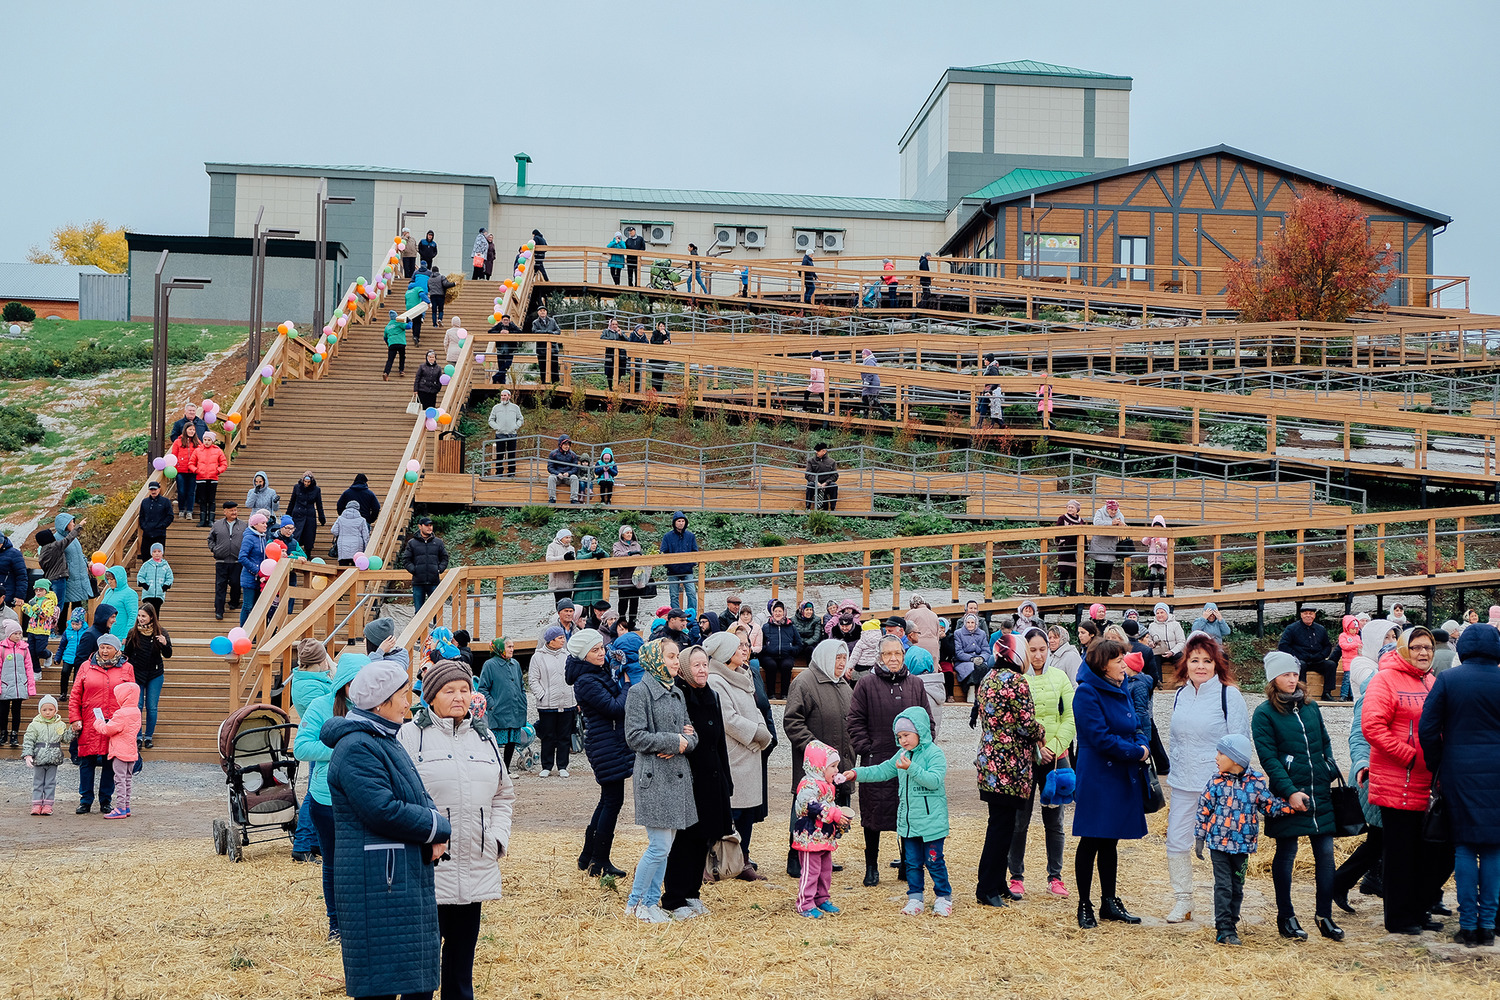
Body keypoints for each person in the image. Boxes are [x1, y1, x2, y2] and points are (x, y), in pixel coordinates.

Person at [322, 658, 451, 1000]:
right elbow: (382, 810)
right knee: (380, 987)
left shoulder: (383, 739)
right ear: (381, 702)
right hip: (378, 882)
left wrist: (436, 832)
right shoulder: (357, 748)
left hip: (397, 878)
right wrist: (437, 826)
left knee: (415, 983)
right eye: (403, 694)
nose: (409, 701)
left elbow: (417, 793)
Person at [397, 657, 514, 999]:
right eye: (449, 690)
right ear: (430, 696)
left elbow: (503, 794)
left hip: (475, 864)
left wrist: (497, 838)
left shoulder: (484, 737)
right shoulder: (409, 736)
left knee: (461, 965)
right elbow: (398, 798)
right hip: (427, 867)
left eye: (465, 689)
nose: (459, 697)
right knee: (420, 967)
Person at [1364, 624, 1452, 935]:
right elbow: (1372, 727)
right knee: (1401, 853)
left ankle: (1418, 909)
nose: (1423, 652)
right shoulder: (1385, 680)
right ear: (1403, 649)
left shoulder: (1430, 681)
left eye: (1428, 647)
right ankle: (1399, 917)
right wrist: (1410, 757)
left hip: (1427, 784)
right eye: (1416, 647)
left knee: (1426, 852)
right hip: (1397, 781)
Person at [1252, 650, 1344, 941]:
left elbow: (1325, 740)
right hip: (1288, 793)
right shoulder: (1264, 713)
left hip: (1319, 790)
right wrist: (1290, 791)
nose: (1292, 680)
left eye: (1294, 674)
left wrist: (1328, 767)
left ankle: (1324, 916)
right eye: (1285, 674)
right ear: (1273, 679)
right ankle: (1286, 916)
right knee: (1287, 852)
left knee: (1326, 855)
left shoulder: (1310, 706)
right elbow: (1269, 759)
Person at [1419, 623, 1500, 947]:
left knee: (1464, 848)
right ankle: (1488, 925)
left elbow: (1427, 728)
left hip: (1459, 772)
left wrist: (1439, 763)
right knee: (1494, 848)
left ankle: (1468, 926)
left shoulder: (1449, 680)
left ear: (1463, 647)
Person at [1164, 632, 1250, 923]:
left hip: (1217, 785)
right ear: (1185, 663)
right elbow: (1175, 739)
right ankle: (1183, 899)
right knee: (1176, 841)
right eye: (1195, 660)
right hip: (1182, 782)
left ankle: (1226, 908)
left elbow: (1239, 743)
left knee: (1221, 845)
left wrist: (1232, 781)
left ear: (1217, 664)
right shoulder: (1180, 694)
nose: (1201, 666)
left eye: (1207, 661)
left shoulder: (1229, 695)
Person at [1195, 733, 1303, 946]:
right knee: (1223, 886)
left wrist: (1293, 806)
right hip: (1218, 844)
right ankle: (1224, 928)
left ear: (1235, 759)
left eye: (1220, 753)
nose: (1216, 757)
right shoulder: (1215, 781)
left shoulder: (1257, 782)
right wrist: (1200, 837)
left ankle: (1232, 923)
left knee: (1237, 885)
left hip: (1243, 847)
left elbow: (1269, 806)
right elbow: (1203, 809)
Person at [1071, 638, 1149, 929]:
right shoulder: (1086, 693)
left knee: (1110, 840)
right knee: (1091, 838)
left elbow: (1137, 724)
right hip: (1098, 776)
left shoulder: (1121, 686)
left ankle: (1109, 901)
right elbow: (1099, 737)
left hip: (1121, 773)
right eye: (1118, 660)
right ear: (1103, 665)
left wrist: (1143, 744)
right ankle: (1084, 903)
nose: (1124, 664)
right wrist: (1135, 752)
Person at [846, 707, 951, 916]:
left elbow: (934, 780)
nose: (903, 740)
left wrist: (911, 768)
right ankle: (915, 898)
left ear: (920, 731)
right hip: (908, 823)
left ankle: (943, 897)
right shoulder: (902, 754)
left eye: (907, 735)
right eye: (899, 736)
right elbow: (883, 769)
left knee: (934, 861)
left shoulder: (934, 754)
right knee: (911, 863)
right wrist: (856, 773)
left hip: (931, 824)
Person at [294, 649, 369, 938]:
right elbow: (301, 747)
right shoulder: (321, 706)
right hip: (327, 799)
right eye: (357, 682)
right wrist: (340, 749)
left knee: (365, 861)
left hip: (367, 797)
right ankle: (336, 923)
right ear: (344, 682)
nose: (364, 689)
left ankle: (363, 919)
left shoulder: (377, 706)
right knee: (334, 863)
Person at [619, 639, 696, 922]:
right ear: (655, 659)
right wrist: (673, 740)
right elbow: (634, 736)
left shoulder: (677, 693)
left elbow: (692, 735)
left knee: (665, 847)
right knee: (659, 846)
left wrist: (683, 742)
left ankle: (651, 903)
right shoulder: (639, 692)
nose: (677, 662)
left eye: (677, 656)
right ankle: (635, 903)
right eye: (671, 656)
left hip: (675, 776)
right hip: (653, 777)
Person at [848, 634, 934, 887]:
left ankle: (907, 864)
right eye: (888, 654)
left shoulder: (915, 684)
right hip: (877, 758)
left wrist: (922, 751)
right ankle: (871, 866)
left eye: (898, 653)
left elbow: (927, 721)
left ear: (904, 655)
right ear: (880, 656)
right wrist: (867, 748)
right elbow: (854, 721)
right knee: (874, 815)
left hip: (910, 762)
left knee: (909, 812)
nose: (893, 658)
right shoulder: (866, 684)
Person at [971, 634, 1044, 909]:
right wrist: (1041, 731)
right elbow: (1025, 724)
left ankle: (998, 883)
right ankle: (986, 888)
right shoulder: (1017, 681)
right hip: (1009, 765)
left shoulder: (988, 677)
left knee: (999, 823)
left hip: (989, 761)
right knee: (1001, 827)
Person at [1333, 617, 1397, 912]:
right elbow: (1359, 732)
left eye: (1394, 638)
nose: (1391, 644)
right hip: (1374, 769)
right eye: (1385, 639)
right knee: (1382, 837)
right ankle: (1344, 883)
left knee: (1380, 838)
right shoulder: (1368, 674)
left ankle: (1352, 882)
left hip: (1386, 769)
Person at [1008, 627, 1077, 899]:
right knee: (1019, 821)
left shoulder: (1060, 677)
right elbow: (1013, 720)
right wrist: (1035, 748)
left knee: (1055, 820)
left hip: (1056, 759)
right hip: (1024, 758)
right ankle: (1016, 876)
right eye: (1032, 650)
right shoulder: (1016, 679)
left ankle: (1055, 876)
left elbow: (1071, 717)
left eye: (1042, 649)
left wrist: (1052, 748)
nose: (1037, 655)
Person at [783, 638, 855, 878]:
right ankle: (796, 858)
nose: (842, 662)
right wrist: (816, 750)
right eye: (837, 657)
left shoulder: (844, 685)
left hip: (837, 766)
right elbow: (792, 721)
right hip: (814, 769)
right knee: (807, 809)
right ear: (825, 657)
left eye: (844, 658)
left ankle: (822, 852)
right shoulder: (804, 682)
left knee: (830, 810)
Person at [705, 631, 774, 880]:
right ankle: (719, 863)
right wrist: (756, 734)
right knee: (731, 812)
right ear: (725, 653)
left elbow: (756, 709)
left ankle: (743, 860)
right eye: (738, 647)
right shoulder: (716, 681)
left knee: (748, 812)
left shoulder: (742, 674)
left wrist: (762, 733)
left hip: (751, 751)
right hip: (735, 753)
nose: (744, 650)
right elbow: (728, 720)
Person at [568, 628, 633, 877]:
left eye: (601, 648)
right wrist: (627, 686)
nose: (601, 653)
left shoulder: (595, 673)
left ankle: (588, 857)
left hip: (608, 742)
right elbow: (615, 707)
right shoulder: (586, 681)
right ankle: (599, 861)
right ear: (583, 655)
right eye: (594, 650)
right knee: (612, 801)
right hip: (604, 744)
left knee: (607, 800)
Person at [68, 631, 133, 814]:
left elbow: (131, 696)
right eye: (102, 647)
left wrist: (128, 722)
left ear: (116, 650)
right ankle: (85, 800)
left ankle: (106, 800)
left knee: (109, 761)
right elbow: (75, 696)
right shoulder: (85, 666)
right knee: (86, 762)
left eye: (109, 647)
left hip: (115, 722)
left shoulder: (127, 668)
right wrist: (75, 718)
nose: (104, 651)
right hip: (90, 722)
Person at [529, 626, 576, 776]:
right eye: (560, 638)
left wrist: (574, 695)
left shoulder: (568, 655)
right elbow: (533, 679)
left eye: (563, 637)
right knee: (548, 736)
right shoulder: (538, 657)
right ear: (551, 640)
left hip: (567, 701)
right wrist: (542, 694)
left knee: (564, 735)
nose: (563, 640)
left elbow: (573, 676)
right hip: (547, 704)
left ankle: (562, 766)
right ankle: (546, 766)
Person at [122, 604, 170, 750]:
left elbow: (168, 654)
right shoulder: (133, 632)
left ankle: (148, 736)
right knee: (137, 706)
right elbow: (127, 655)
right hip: (137, 673)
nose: (140, 619)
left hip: (155, 674)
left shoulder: (161, 632)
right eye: (139, 616)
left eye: (144, 616)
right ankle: (137, 736)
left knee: (151, 706)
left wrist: (164, 643)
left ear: (151, 617)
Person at [97, 677, 141, 819]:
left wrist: (98, 723)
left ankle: (120, 807)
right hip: (132, 751)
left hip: (120, 752)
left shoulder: (121, 714)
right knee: (127, 779)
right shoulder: (136, 711)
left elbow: (108, 730)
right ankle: (126, 806)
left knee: (119, 780)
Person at [1279, 606, 1339, 700]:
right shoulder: (1291, 628)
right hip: (1300, 659)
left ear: (1314, 615)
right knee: (1301, 665)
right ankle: (1302, 692)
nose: (1308, 616)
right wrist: (1297, 655)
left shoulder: (1321, 629)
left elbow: (1327, 646)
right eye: (1305, 613)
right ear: (1301, 615)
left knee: (1331, 665)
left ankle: (1327, 693)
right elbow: (1283, 646)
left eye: (1310, 613)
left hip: (1317, 659)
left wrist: (1322, 655)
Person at [23, 694, 68, 815]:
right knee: (38, 782)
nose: (47, 712)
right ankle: (37, 804)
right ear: (40, 710)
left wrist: (73, 732)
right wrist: (28, 755)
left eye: (51, 709)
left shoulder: (60, 724)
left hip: (53, 759)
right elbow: (28, 740)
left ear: (56, 710)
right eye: (44, 710)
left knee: (50, 782)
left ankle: (48, 805)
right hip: (39, 758)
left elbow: (65, 739)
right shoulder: (34, 725)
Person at [402, 516, 449, 614]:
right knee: (419, 612)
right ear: (420, 526)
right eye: (427, 525)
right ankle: (420, 630)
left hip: (434, 582)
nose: (429, 528)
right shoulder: (412, 543)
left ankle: (436, 629)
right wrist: (414, 570)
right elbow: (406, 560)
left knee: (436, 611)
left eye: (431, 525)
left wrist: (439, 569)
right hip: (418, 583)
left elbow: (445, 558)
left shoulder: (438, 542)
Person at [0, 619, 35, 746]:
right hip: (5, 684)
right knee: (3, 711)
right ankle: (3, 732)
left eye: (20, 633)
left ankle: (14, 734)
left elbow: (29, 668)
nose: (18, 636)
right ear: (9, 634)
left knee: (16, 710)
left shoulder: (24, 649)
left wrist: (30, 687)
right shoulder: (2, 648)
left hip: (20, 685)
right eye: (16, 633)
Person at [760, 601, 804, 700]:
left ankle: (785, 694)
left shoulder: (791, 627)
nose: (778, 613)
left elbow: (799, 644)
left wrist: (791, 650)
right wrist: (767, 648)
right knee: (771, 666)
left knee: (786, 666)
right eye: (775, 611)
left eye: (780, 611)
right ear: (772, 613)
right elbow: (760, 643)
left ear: (784, 612)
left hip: (786, 655)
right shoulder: (766, 627)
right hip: (769, 656)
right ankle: (771, 694)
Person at [51, 513, 93, 617]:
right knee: (64, 605)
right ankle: (61, 630)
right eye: (71, 522)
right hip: (68, 577)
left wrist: (86, 564)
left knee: (77, 605)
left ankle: (77, 629)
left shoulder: (73, 538)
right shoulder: (57, 539)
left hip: (78, 576)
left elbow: (79, 554)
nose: (73, 524)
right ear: (64, 525)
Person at [660, 511, 698, 612]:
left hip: (687, 570)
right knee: (673, 595)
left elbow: (695, 552)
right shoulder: (667, 537)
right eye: (678, 521)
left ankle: (692, 615)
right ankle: (676, 615)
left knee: (692, 593)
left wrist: (690, 564)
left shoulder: (690, 536)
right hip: (672, 571)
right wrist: (669, 565)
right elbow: (663, 552)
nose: (681, 523)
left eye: (682, 521)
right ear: (674, 522)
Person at [237, 512, 269, 626]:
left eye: (266, 523)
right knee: (248, 606)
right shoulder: (249, 537)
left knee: (257, 607)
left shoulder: (264, 538)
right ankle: (244, 630)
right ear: (255, 524)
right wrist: (257, 570)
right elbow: (242, 557)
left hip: (261, 578)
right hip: (250, 578)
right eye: (263, 523)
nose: (266, 525)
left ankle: (255, 632)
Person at [1089, 499, 1126, 597]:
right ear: (1107, 508)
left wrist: (1122, 525)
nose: (1113, 512)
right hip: (1099, 545)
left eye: (1115, 510)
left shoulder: (1120, 515)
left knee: (1108, 570)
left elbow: (1124, 528)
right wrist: (1111, 523)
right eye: (1111, 510)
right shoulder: (1100, 512)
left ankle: (1105, 591)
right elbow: (1096, 523)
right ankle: (1096, 591)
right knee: (1099, 569)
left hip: (1111, 546)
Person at [285, 472, 326, 558]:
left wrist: (321, 517)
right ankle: (295, 552)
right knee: (296, 534)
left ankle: (308, 553)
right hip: (298, 514)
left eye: (308, 482)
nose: (306, 484)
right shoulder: (297, 487)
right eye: (305, 481)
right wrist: (287, 515)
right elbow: (292, 501)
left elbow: (319, 504)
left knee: (309, 536)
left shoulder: (316, 490)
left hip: (309, 516)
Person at [192, 430, 227, 527]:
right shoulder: (197, 450)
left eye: (209, 440)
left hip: (213, 478)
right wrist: (196, 470)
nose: (206, 442)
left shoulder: (217, 450)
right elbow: (191, 463)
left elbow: (224, 463)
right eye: (205, 439)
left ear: (213, 441)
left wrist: (218, 470)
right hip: (201, 478)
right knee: (202, 499)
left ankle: (211, 519)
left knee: (211, 499)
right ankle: (202, 519)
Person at [487, 388, 524, 477]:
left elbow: (521, 419)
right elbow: (490, 420)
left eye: (505, 395)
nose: (503, 397)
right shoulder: (496, 408)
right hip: (500, 435)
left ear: (509, 396)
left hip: (512, 434)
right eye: (502, 395)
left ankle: (511, 473)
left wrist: (516, 426)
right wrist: (498, 427)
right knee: (499, 455)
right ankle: (499, 473)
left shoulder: (515, 408)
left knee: (511, 455)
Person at [611, 525, 644, 624]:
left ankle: (632, 623)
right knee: (623, 602)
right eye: (627, 533)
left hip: (636, 578)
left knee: (634, 602)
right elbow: (616, 555)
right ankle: (621, 622)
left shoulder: (636, 545)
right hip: (624, 577)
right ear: (622, 534)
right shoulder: (617, 545)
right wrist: (629, 553)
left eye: (630, 533)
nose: (629, 535)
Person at [1051, 499, 1084, 596]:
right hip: (1065, 548)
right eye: (1068, 507)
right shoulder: (1062, 518)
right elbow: (1058, 532)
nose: (1070, 509)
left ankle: (1073, 590)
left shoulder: (1080, 520)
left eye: (1072, 507)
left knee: (1075, 571)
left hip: (1076, 549)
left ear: (1077, 509)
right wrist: (1062, 542)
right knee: (1064, 570)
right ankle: (1061, 590)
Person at [168, 422, 201, 520]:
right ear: (185, 430)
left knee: (191, 492)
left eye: (193, 430)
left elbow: (201, 455)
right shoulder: (178, 442)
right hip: (181, 470)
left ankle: (190, 511)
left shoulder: (197, 442)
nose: (192, 431)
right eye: (190, 429)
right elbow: (174, 455)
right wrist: (175, 466)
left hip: (193, 471)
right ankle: (181, 510)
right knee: (181, 491)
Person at [22, 579, 57, 670]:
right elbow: (31, 613)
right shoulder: (35, 600)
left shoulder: (49, 602)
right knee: (31, 652)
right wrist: (23, 606)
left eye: (41, 590)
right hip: (32, 629)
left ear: (46, 590)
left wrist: (34, 606)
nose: (38, 592)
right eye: (36, 590)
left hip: (42, 631)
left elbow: (44, 615)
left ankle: (48, 654)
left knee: (39, 650)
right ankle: (36, 671)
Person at [1145, 602, 1187, 677]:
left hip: (1174, 651)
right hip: (1159, 652)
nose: (1159, 615)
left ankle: (1181, 680)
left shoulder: (1175, 625)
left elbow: (1181, 642)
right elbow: (1148, 639)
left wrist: (1172, 652)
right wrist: (1150, 643)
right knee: (1153, 660)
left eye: (1162, 612)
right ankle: (1158, 682)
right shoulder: (1152, 626)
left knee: (1180, 658)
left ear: (1167, 613)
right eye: (1157, 613)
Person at [98, 566, 138, 643]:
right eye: (108, 579)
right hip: (105, 634)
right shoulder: (108, 591)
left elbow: (133, 616)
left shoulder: (130, 593)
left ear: (119, 578)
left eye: (112, 579)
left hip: (120, 636)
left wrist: (126, 636)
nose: (109, 582)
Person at [137, 480, 174, 561]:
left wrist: (162, 525)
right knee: (145, 555)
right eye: (151, 490)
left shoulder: (165, 501)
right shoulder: (145, 502)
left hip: (159, 534)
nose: (153, 491)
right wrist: (144, 526)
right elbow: (141, 516)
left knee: (158, 556)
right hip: (147, 533)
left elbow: (170, 516)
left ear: (159, 489)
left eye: (155, 489)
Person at [328, 500, 370, 569]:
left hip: (343, 546)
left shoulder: (340, 519)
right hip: (357, 546)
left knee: (343, 568)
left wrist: (340, 534)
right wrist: (366, 548)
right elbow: (366, 536)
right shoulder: (362, 520)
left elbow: (333, 530)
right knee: (356, 568)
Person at [56, 608, 87, 699]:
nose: (74, 626)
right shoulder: (68, 631)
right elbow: (62, 646)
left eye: (77, 624)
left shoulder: (86, 632)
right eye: (73, 624)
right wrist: (58, 657)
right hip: (68, 657)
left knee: (77, 677)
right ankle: (63, 693)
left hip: (80, 658)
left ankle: (75, 695)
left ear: (81, 623)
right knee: (65, 673)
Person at [135, 543, 173, 613]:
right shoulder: (146, 565)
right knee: (147, 612)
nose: (157, 553)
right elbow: (140, 576)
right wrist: (145, 585)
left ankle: (155, 623)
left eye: (159, 551)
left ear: (162, 553)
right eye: (154, 551)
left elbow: (170, 577)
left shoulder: (165, 566)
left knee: (156, 612)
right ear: (151, 553)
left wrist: (165, 586)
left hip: (159, 594)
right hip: (148, 594)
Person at [547, 434, 584, 504]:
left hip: (568, 476)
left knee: (575, 477)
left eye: (568, 445)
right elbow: (550, 467)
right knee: (551, 478)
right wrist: (557, 473)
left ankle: (574, 499)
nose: (567, 446)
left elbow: (575, 468)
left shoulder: (573, 455)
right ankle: (552, 498)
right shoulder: (553, 454)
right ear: (560, 444)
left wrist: (568, 473)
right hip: (557, 476)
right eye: (565, 444)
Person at [531, 304, 563, 384]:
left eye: (544, 311)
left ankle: (556, 383)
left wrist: (552, 333)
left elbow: (558, 331)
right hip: (542, 349)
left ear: (546, 312)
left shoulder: (552, 321)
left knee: (554, 367)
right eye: (540, 311)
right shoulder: (535, 322)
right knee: (543, 367)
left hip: (553, 348)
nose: (542, 312)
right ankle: (544, 383)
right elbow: (534, 332)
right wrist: (546, 333)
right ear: (538, 313)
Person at [1140, 515, 1169, 598]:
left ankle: (1161, 591)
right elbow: (1144, 542)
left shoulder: (1165, 537)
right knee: (1153, 573)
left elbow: (1170, 545)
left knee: (1161, 574)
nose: (1157, 529)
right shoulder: (1151, 538)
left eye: (1159, 527)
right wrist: (1150, 536)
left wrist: (1162, 544)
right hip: (1153, 558)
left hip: (1162, 558)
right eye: (1155, 527)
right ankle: (1150, 591)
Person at [545, 527, 575, 605]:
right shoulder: (552, 546)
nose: (568, 539)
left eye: (570, 537)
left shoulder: (571, 548)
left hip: (568, 580)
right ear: (561, 538)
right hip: (557, 581)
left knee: (569, 603)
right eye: (566, 537)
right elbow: (549, 559)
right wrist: (563, 557)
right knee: (560, 603)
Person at [649, 320, 671, 392]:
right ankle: (654, 390)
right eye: (660, 326)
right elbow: (653, 342)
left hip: (663, 357)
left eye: (663, 326)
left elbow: (669, 342)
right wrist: (662, 342)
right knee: (655, 374)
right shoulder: (655, 333)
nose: (662, 327)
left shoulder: (667, 333)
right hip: (655, 357)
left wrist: (664, 335)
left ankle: (659, 391)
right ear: (658, 327)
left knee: (661, 375)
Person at [859, 349, 881, 417]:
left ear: (868, 355)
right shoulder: (867, 361)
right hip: (871, 382)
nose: (863, 356)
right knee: (869, 398)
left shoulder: (869, 361)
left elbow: (870, 372)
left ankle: (866, 415)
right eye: (862, 354)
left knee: (867, 398)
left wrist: (867, 382)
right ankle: (883, 412)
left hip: (871, 383)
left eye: (864, 354)